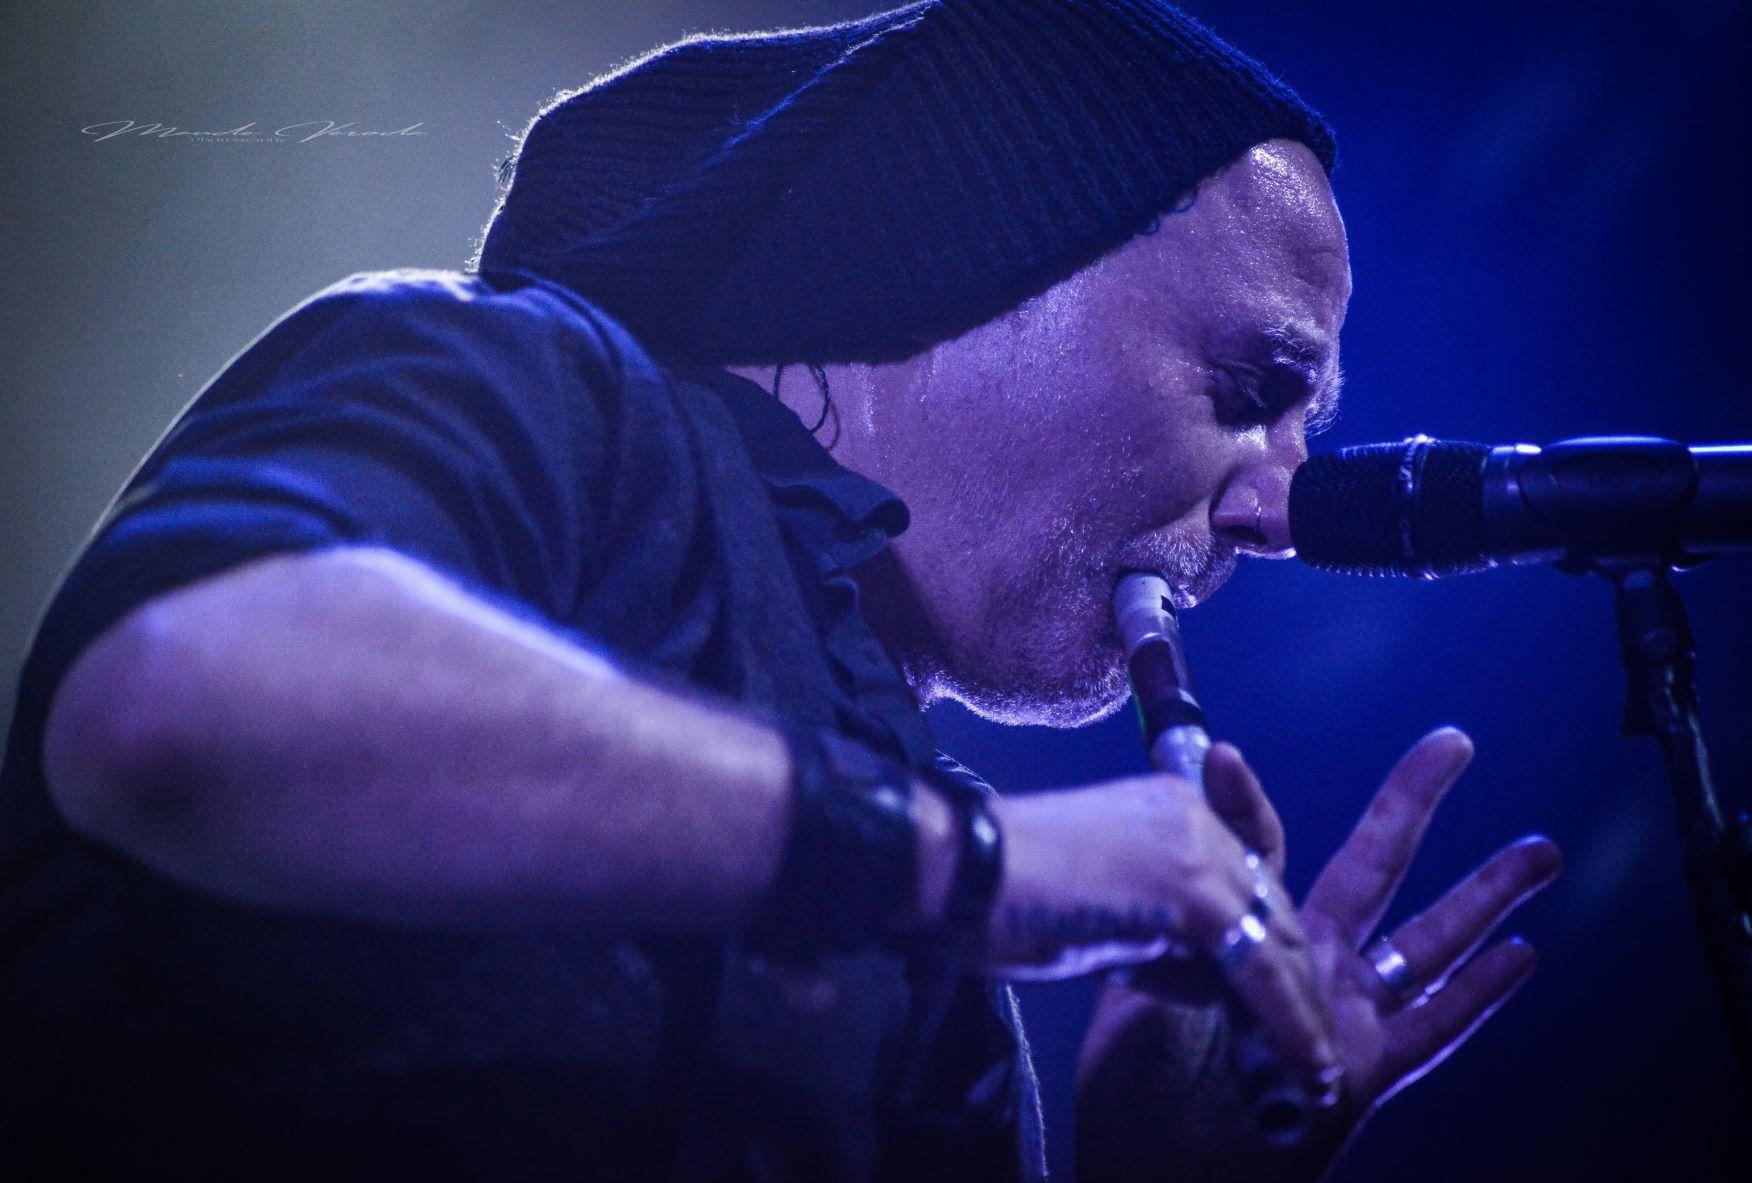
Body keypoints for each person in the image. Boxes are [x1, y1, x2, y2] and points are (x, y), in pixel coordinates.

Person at [0, 1, 1562, 1179]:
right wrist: (967, 866)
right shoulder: (537, 386)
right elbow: (171, 701)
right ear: (981, 252)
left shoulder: (927, 899)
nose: (1274, 508)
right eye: (1247, 385)